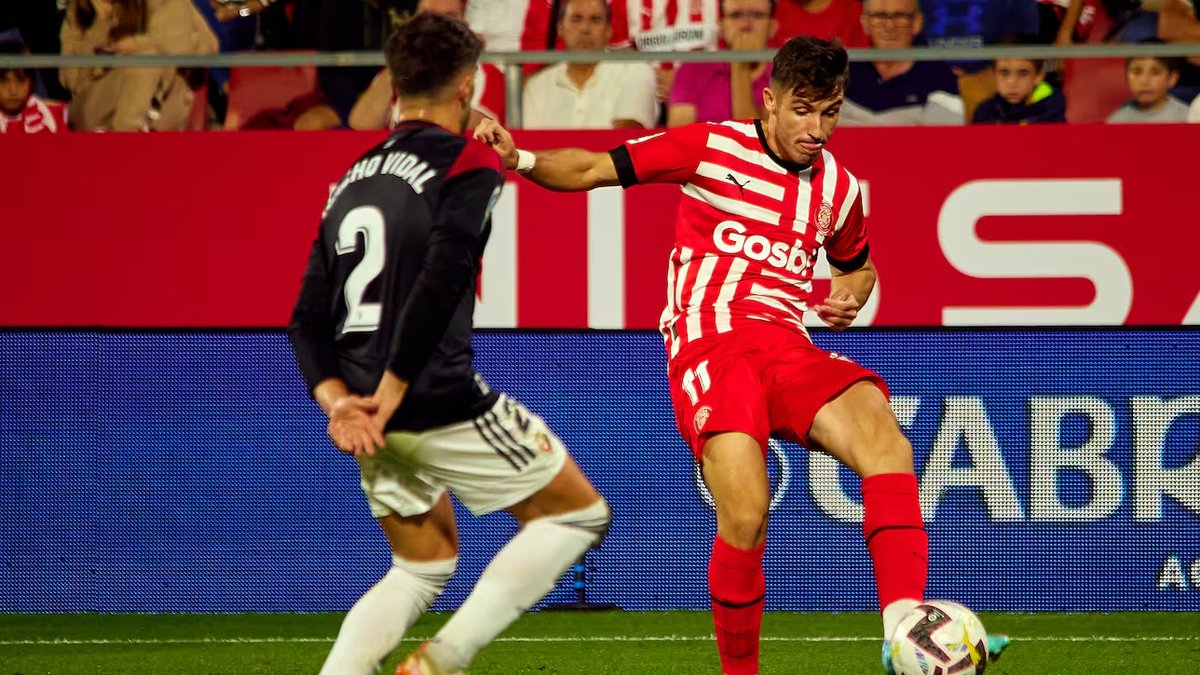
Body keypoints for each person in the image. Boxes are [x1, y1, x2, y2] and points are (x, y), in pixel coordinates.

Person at [475, 35, 1010, 675]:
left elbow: (858, 266)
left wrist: (851, 293)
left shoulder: (840, 189)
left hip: (788, 347)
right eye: (803, 110)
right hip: (712, 343)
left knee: (884, 436)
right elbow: (591, 169)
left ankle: (902, 624)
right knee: (747, 513)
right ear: (770, 100)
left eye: (831, 112)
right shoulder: (711, 147)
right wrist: (521, 157)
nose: (817, 130)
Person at [287, 13, 610, 675]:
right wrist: (393, 391)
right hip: (428, 392)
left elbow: (305, 317)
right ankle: (446, 659)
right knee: (577, 515)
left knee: (421, 564)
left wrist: (341, 404)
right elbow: (444, 277)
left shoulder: (353, 176)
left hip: (360, 406)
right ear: (467, 85)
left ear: (395, 85)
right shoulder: (469, 160)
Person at [59, 0, 217, 131]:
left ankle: (134, 133)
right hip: (98, 106)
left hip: (163, 105)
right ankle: (130, 138)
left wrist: (135, 44)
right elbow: (72, 81)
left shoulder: (165, 4)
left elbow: (208, 46)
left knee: (151, 58)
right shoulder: (79, 14)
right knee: (145, 61)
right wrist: (101, 20)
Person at [523, 0, 658, 129]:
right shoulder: (537, 86)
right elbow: (528, 143)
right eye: (576, 19)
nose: (585, 29)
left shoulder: (635, 73)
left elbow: (626, 140)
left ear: (609, 30)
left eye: (595, 20)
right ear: (560, 29)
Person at [840, 0, 963, 126]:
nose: (889, 26)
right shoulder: (842, 73)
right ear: (865, 23)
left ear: (916, 23)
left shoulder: (940, 75)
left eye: (899, 16)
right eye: (879, 16)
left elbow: (947, 134)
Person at [667, 0, 777, 126]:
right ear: (722, 26)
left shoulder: (785, 75)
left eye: (757, 15)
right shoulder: (692, 69)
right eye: (736, 15)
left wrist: (739, 67)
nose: (745, 25)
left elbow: (761, 136)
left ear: (772, 27)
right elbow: (679, 134)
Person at [972, 54, 1066, 123]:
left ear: (1038, 76)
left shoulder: (1052, 111)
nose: (1012, 82)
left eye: (1023, 74)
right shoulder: (985, 112)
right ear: (994, 75)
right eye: (1004, 73)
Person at [0, 40, 68, 134]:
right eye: (3, 81)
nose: (13, 90)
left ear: (31, 80)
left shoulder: (61, 115)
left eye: (21, 80)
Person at [1107, 53, 1191, 122]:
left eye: (1155, 72)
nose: (1144, 80)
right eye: (1137, 72)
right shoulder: (1118, 120)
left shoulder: (1187, 118)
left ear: (1171, 78)